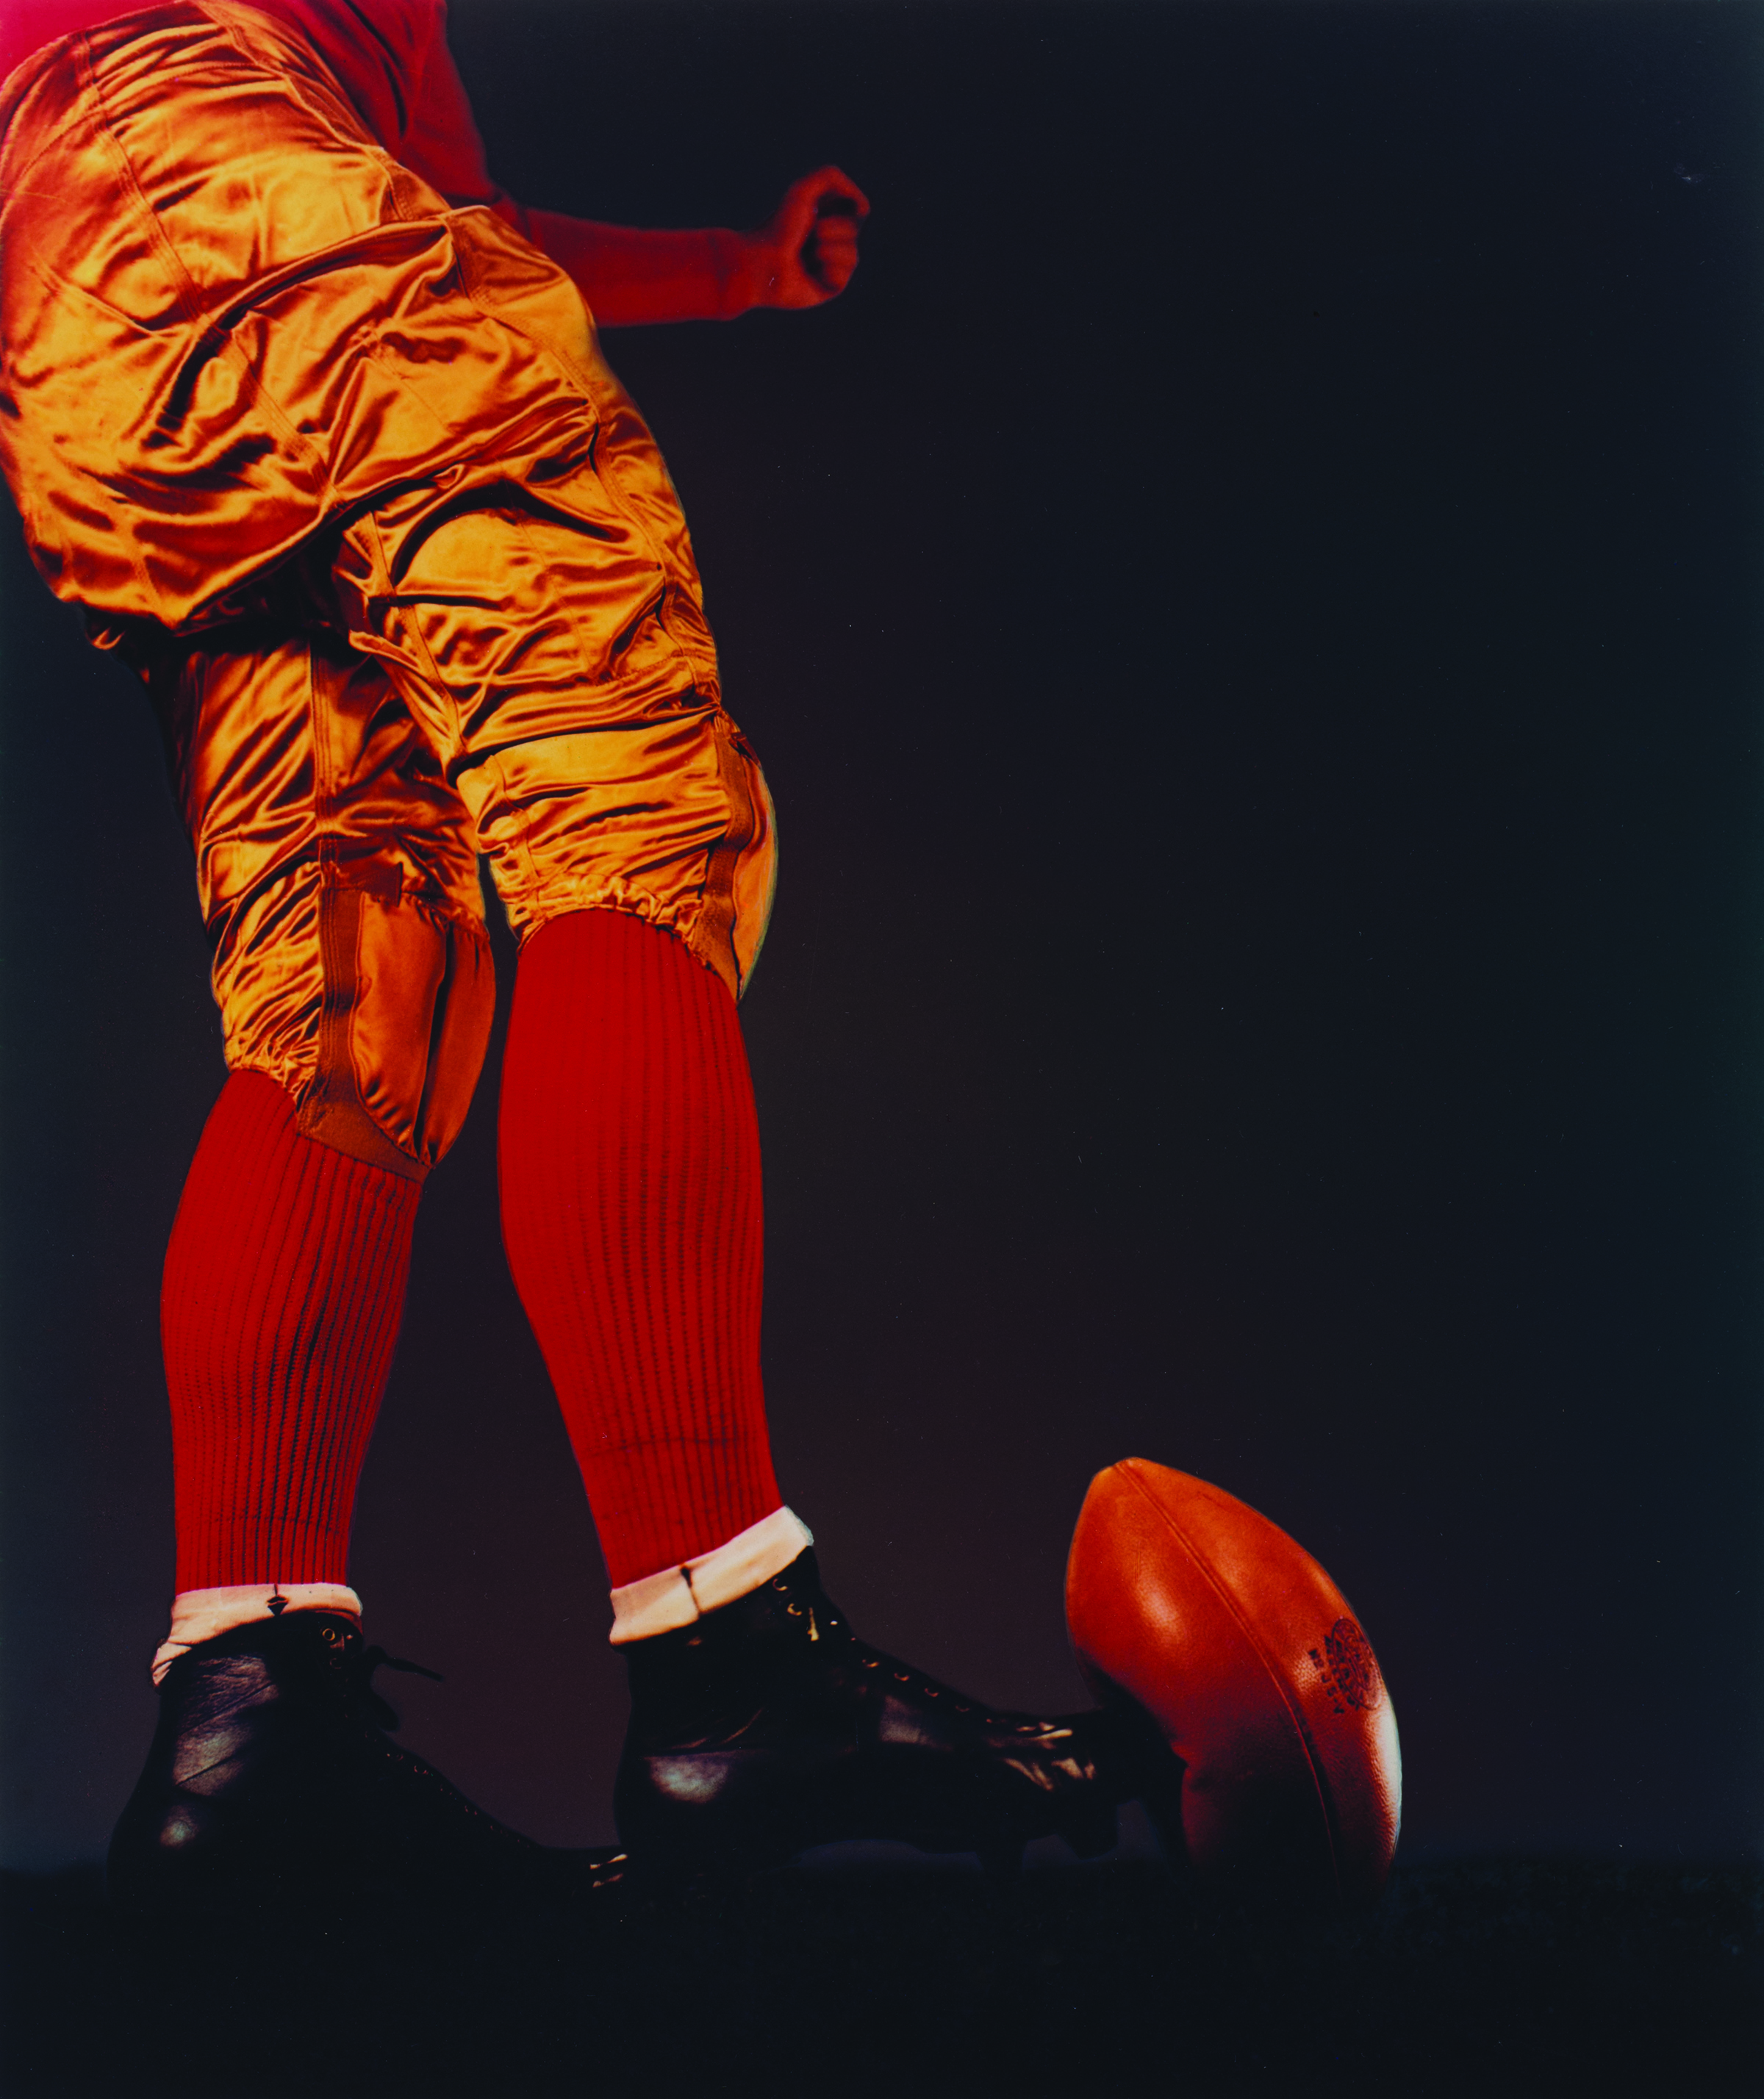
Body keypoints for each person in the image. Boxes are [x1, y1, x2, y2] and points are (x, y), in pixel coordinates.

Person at [0, 0, 1149, 1918]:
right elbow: (399, 235)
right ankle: (727, 1656)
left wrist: (734, 273)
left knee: (359, 958)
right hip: (251, 189)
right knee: (617, 791)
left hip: (78, 302)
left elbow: (456, 224)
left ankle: (246, 1711)